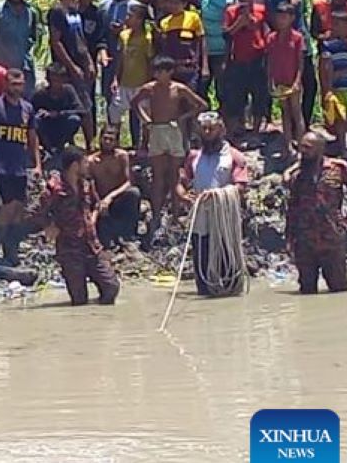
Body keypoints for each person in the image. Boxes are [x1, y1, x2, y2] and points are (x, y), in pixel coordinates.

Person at [24, 149, 120, 306]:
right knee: (79, 300)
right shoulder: (55, 188)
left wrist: (93, 218)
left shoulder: (87, 184)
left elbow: (96, 204)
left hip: (91, 247)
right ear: (75, 165)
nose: (88, 166)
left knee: (111, 288)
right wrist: (49, 226)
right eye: (84, 163)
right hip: (70, 250)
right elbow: (32, 212)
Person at [285, 129, 347, 294]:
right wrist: (289, 237)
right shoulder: (297, 176)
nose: (303, 152)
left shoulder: (338, 169)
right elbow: (292, 208)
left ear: (320, 149)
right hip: (304, 243)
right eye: (301, 148)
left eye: (308, 148)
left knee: (339, 290)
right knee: (307, 292)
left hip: (331, 240)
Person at [134, 55, 205, 238]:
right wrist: (146, 120)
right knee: (158, 176)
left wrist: (184, 117)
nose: (157, 74)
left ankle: (175, 215)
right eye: (155, 71)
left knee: (174, 175)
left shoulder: (179, 89)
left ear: (169, 72)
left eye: (161, 71)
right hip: (157, 129)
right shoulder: (149, 88)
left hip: (173, 130)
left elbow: (200, 104)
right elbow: (135, 103)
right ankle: (157, 214)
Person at [180, 111, 251, 295]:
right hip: (200, 219)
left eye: (211, 129)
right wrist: (183, 195)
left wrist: (217, 195)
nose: (207, 132)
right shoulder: (193, 157)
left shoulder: (234, 156)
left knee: (228, 267)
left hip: (224, 221)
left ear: (221, 130)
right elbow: (181, 183)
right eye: (204, 129)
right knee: (202, 264)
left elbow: (241, 186)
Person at [0, 67, 41, 266]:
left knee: (18, 210)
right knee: (6, 208)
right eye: (13, 84)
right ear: (5, 84)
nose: (17, 88)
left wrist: (37, 165)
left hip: (20, 167)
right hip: (0, 166)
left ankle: (11, 251)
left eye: (20, 84)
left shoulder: (27, 109)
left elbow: (32, 138)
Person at [48, 0, 95, 150]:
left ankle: (90, 143)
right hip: (66, 67)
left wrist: (89, 61)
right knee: (73, 104)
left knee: (86, 104)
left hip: (81, 64)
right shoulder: (57, 11)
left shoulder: (75, 11)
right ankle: (70, 142)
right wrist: (71, 66)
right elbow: (56, 41)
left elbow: (81, 40)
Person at [221, 0, 270, 138]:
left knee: (259, 96)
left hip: (257, 58)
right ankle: (237, 130)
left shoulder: (261, 10)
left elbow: (266, 32)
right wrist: (239, 23)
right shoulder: (230, 11)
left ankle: (256, 132)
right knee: (236, 97)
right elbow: (226, 34)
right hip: (238, 59)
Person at [267, 0, 314, 125]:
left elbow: (304, 16)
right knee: (288, 89)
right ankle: (291, 126)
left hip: (303, 41)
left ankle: (305, 123)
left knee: (310, 84)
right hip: (286, 47)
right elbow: (274, 21)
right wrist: (291, 5)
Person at [317, 10, 347, 163]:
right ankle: (343, 149)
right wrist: (328, 88)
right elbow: (326, 67)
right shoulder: (329, 45)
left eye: (339, 24)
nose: (336, 27)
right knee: (340, 120)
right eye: (334, 23)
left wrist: (339, 73)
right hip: (337, 88)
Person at [266, 3, 306, 164]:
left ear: (291, 18)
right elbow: (269, 60)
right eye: (278, 17)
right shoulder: (271, 37)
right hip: (279, 79)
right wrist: (270, 80)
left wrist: (297, 81)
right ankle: (287, 145)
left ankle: (303, 146)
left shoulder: (297, 37)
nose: (281, 20)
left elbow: (300, 62)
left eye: (284, 17)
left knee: (296, 112)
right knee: (285, 113)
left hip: (292, 80)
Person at [89, 123, 140, 247]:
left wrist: (110, 197)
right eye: (105, 138)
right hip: (99, 202)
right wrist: (99, 202)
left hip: (117, 198)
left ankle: (129, 234)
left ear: (116, 142)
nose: (107, 142)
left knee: (134, 193)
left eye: (111, 140)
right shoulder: (91, 161)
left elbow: (128, 182)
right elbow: (90, 185)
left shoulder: (122, 156)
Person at [110, 1, 153, 148]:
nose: (127, 18)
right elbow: (120, 59)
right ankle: (114, 143)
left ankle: (143, 146)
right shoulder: (124, 35)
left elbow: (150, 62)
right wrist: (116, 78)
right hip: (124, 83)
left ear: (140, 19)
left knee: (144, 116)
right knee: (115, 112)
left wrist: (149, 84)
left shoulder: (147, 39)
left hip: (141, 84)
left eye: (130, 15)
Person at [98, 0, 135, 122]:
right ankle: (112, 133)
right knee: (110, 95)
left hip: (131, 56)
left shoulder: (135, 6)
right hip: (110, 54)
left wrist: (125, 29)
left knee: (133, 96)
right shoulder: (104, 6)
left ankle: (136, 138)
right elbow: (100, 32)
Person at [154, 0, 203, 93]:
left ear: (184, 4)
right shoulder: (164, 22)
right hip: (172, 67)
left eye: (177, 3)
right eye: (171, 3)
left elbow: (201, 40)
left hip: (189, 66)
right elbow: (164, 46)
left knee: (190, 94)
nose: (173, 6)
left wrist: (202, 64)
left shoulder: (193, 17)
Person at [197, 0, 234, 108]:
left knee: (222, 89)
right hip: (205, 49)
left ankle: (224, 119)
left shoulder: (228, 2)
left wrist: (226, 57)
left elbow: (229, 31)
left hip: (221, 50)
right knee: (202, 86)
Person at [32, 61, 85, 154]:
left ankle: (60, 148)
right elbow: (30, 111)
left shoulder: (69, 90)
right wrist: (41, 112)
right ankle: (48, 149)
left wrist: (59, 114)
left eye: (59, 79)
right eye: (54, 80)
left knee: (75, 119)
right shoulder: (41, 94)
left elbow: (80, 110)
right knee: (36, 120)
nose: (56, 83)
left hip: (63, 124)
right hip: (47, 127)